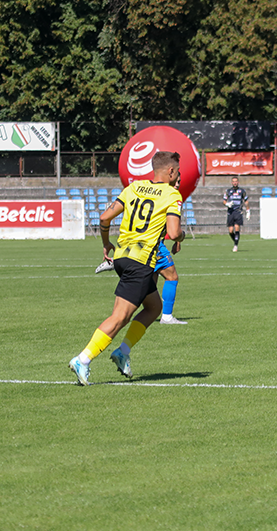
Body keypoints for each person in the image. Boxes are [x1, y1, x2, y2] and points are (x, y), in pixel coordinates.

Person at [68, 151, 186, 386]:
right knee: (120, 317)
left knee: (154, 307)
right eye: (178, 171)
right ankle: (83, 358)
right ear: (171, 172)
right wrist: (181, 236)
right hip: (141, 262)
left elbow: (104, 218)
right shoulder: (172, 195)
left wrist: (106, 244)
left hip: (122, 257)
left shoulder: (133, 187)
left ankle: (123, 351)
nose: (178, 175)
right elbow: (173, 232)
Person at [95, 174, 188, 325]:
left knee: (152, 282)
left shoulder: (156, 194)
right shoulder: (169, 196)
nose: (177, 184)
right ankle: (167, 316)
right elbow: (169, 228)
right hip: (151, 247)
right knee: (172, 277)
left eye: (179, 181)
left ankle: (148, 315)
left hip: (133, 246)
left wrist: (176, 242)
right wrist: (179, 238)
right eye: (176, 181)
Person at [222, 176, 250, 252]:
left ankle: (235, 245)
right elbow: (224, 201)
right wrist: (227, 204)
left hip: (238, 211)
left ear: (238, 182)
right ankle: (236, 241)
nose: (235, 183)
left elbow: (246, 201)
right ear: (232, 183)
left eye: (236, 181)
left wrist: (248, 211)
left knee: (237, 228)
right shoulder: (228, 191)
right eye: (233, 181)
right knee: (231, 231)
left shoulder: (242, 191)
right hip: (230, 212)